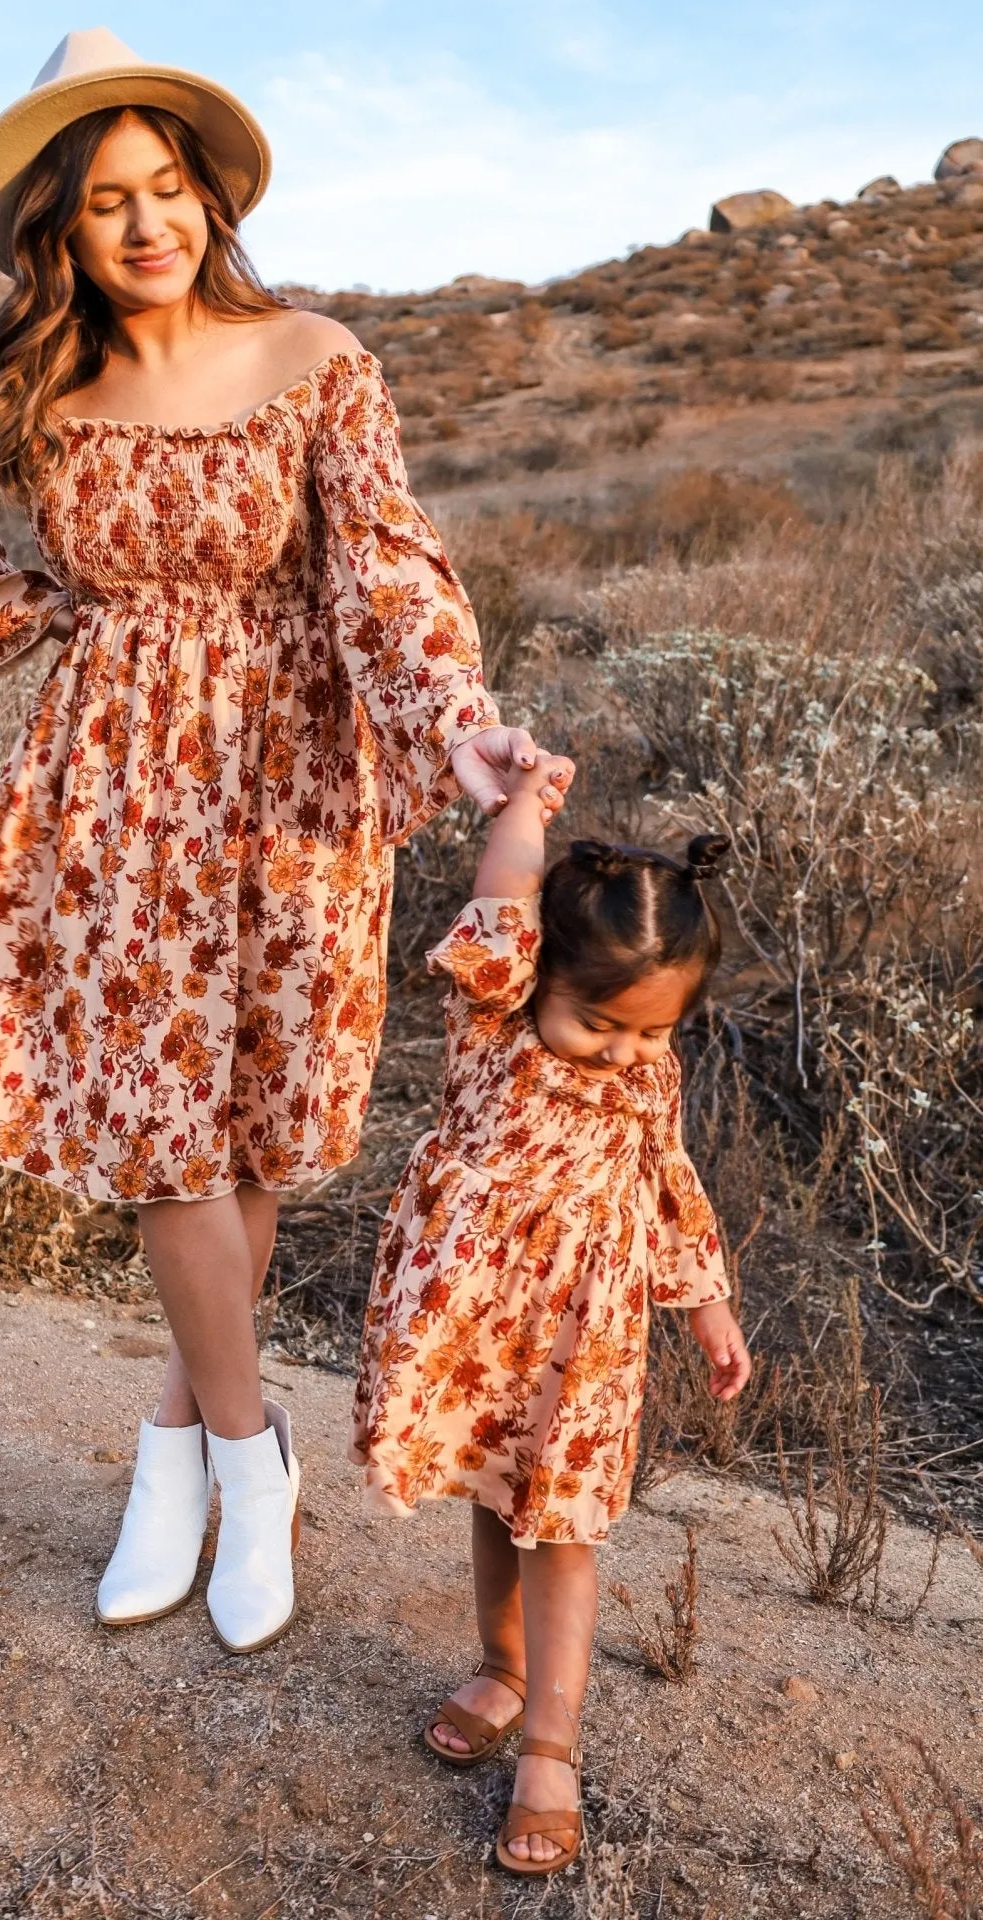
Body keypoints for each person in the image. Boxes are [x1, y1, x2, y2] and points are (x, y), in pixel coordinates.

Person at [0, 27, 538, 1658]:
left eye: (166, 189)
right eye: (106, 203)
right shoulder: (43, 388)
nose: (145, 225)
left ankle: (174, 1446)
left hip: (297, 772)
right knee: (169, 1132)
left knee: (253, 1124)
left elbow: (387, 570)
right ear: (62, 232)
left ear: (205, 199)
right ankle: (251, 1460)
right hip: (115, 780)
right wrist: (26, 613)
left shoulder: (314, 357)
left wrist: (457, 723)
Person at [351, 754, 752, 1876]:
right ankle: (503, 1663)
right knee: (494, 1492)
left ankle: (551, 1746)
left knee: (562, 1524)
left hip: (585, 1333)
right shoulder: (492, 1016)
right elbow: (503, 891)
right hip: (481, 1314)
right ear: (535, 977)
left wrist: (709, 1304)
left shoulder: (645, 1079)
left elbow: (671, 1184)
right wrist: (522, 803)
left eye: (652, 1032)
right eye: (602, 1024)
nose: (626, 1051)